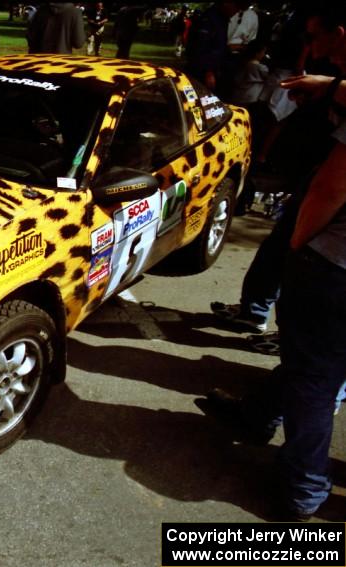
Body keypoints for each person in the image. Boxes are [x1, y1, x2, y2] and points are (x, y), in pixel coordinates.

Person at [198, 5, 346, 521]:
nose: (318, 49)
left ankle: (305, 488)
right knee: (317, 364)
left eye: (320, 38)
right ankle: (259, 414)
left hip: (335, 266)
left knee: (316, 377)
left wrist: (299, 244)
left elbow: (333, 185)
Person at [185, 0, 240, 92]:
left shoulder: (222, 19)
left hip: (214, 68)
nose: (237, 10)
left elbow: (216, 45)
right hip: (202, 71)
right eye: (236, 6)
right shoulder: (210, 19)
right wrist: (208, 71)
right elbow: (200, 46)